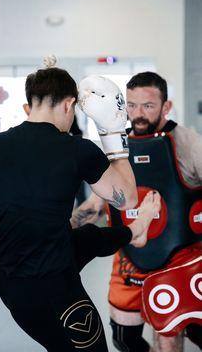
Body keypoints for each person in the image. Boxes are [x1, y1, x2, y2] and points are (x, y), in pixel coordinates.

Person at [0, 62, 161, 352]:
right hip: (53, 289)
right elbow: (127, 199)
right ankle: (138, 229)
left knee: (86, 237)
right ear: (69, 105)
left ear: (32, 102)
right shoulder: (76, 149)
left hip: (9, 286)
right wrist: (113, 133)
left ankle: (134, 232)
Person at [75, 71, 202, 352]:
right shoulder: (115, 148)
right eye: (131, 105)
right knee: (124, 339)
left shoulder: (189, 144)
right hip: (129, 258)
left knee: (167, 336)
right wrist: (64, 227)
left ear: (166, 107)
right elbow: (98, 202)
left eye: (148, 106)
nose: (138, 114)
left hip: (179, 259)